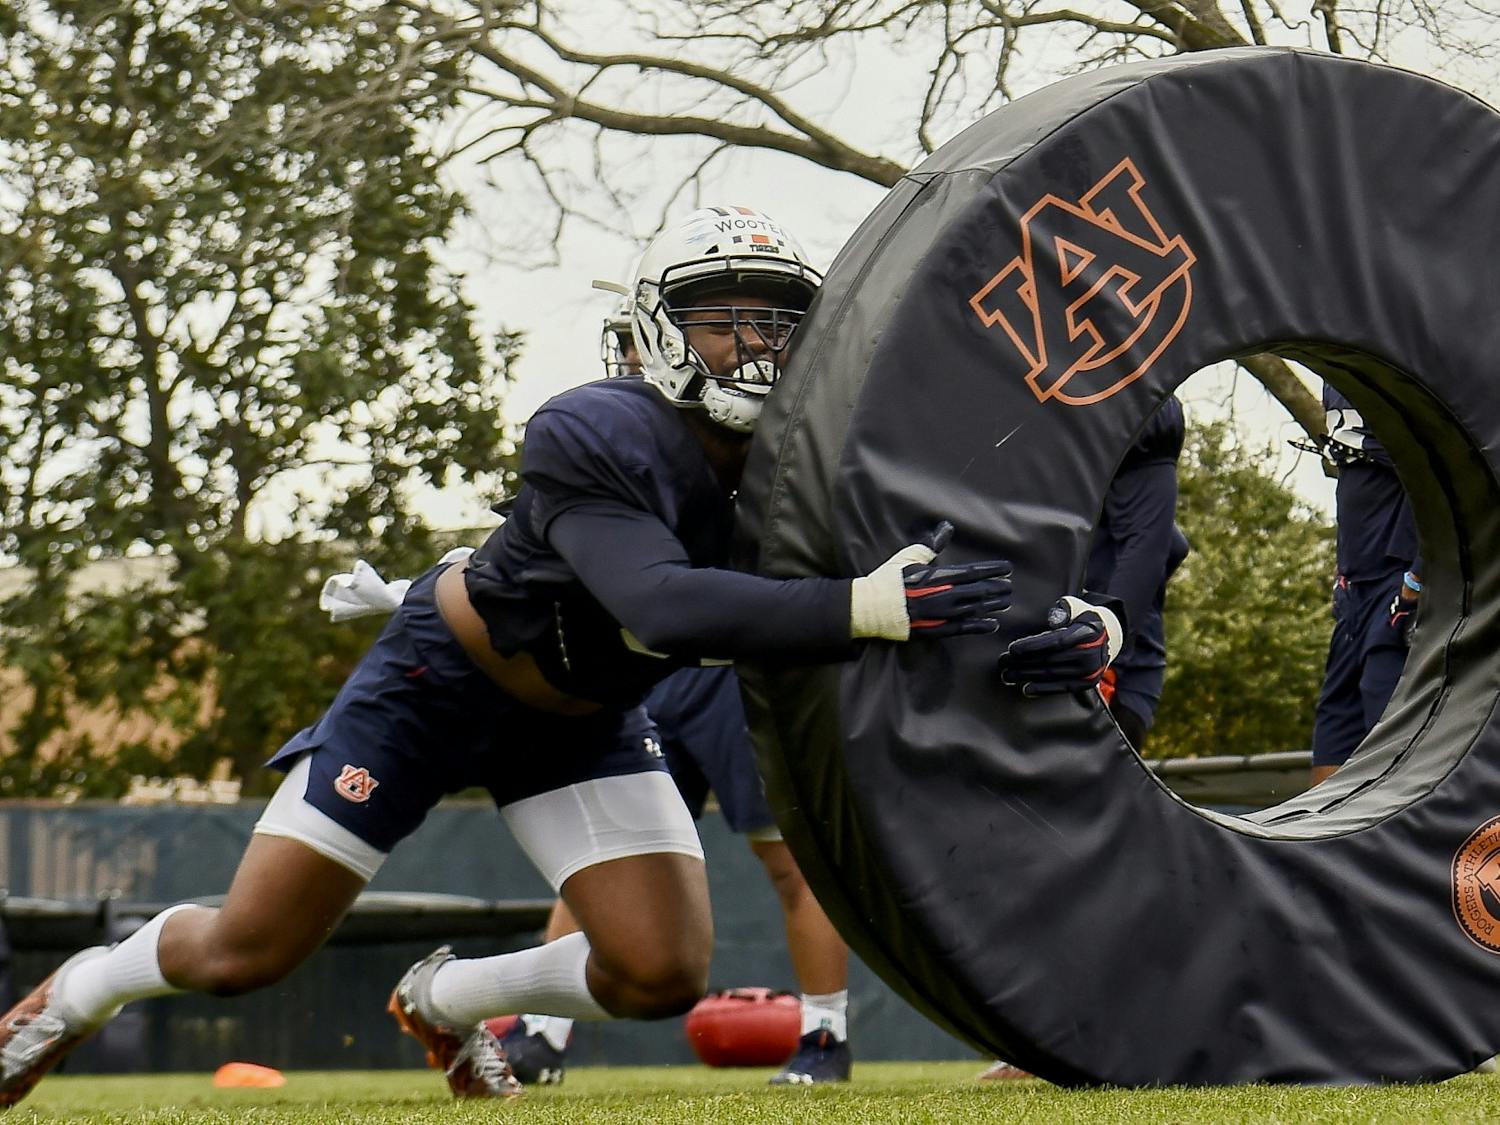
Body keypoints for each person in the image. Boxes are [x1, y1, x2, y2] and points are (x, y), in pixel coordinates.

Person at [1, 204, 1076, 1107]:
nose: (756, 346)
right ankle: (80, 992)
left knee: (660, 973)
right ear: (655, 332)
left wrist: (1066, 616)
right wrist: (857, 607)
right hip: (437, 682)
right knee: (247, 953)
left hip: (584, 721)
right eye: (723, 321)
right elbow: (660, 605)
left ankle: (450, 998)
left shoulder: (805, 467)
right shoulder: (594, 428)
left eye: (779, 324)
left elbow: (939, 557)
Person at [494, 297, 854, 1086]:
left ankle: (824, 1033)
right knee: (601, 860)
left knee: (790, 860)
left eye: (639, 342)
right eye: (624, 344)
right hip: (650, 678)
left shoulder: (746, 432)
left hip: (732, 672)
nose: (631, 360)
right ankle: (543, 1034)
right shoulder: (607, 440)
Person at [981, 399, 1189, 1083]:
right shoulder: (1033, 434)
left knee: (1079, 854)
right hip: (1048, 653)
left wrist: (1112, 618)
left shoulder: (1139, 422)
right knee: (1039, 852)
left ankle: (1084, 1034)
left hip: (1107, 665)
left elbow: (1152, 543)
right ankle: (1062, 1033)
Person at [1308, 386, 1419, 786]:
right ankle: (1324, 848)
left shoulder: (1400, 351)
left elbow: (1445, 467)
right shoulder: (1334, 366)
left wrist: (1416, 580)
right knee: (1332, 739)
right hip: (1354, 588)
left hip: (1398, 581)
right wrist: (1344, 576)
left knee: (1390, 748)